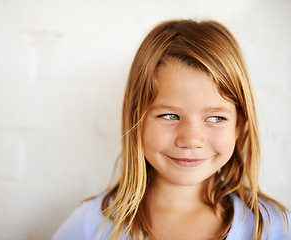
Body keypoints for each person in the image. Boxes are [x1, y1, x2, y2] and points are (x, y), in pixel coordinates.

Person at [52, 19, 290, 240]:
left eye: (216, 118)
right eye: (169, 115)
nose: (191, 139)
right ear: (137, 120)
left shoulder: (272, 227)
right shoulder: (92, 226)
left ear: (238, 125)